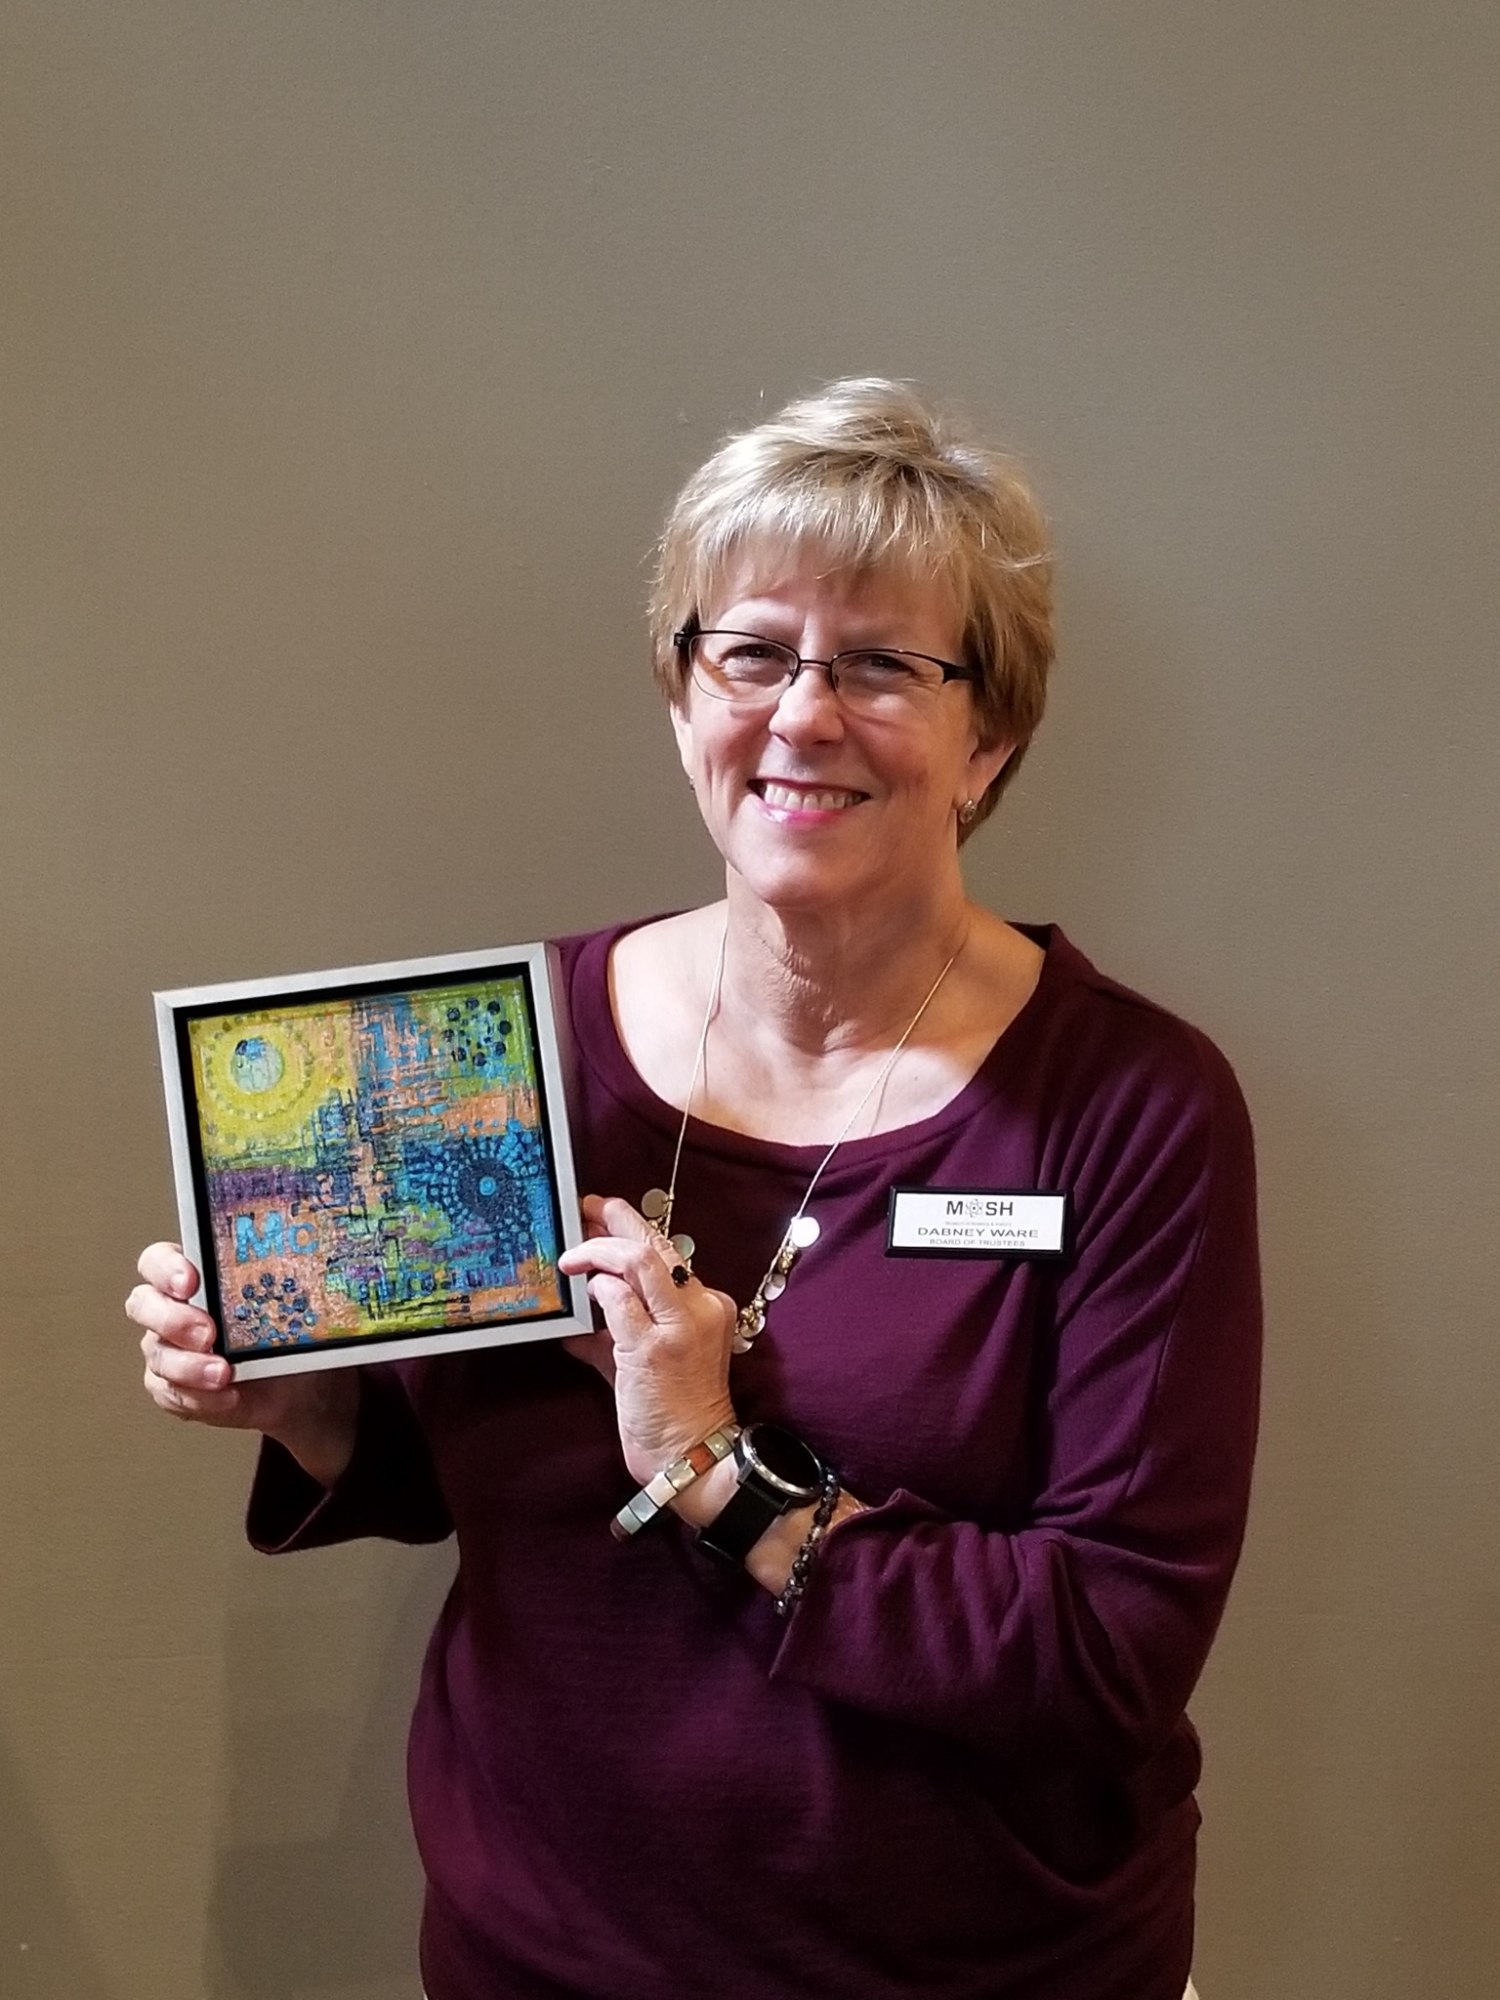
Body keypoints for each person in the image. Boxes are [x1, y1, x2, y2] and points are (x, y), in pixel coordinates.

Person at [127, 379, 1260, 2000]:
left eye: (884, 665)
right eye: (753, 653)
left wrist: (714, 1468)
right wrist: (301, 1403)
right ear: (682, 698)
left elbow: (1103, 1655)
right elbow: (470, 1473)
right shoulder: (502, 1051)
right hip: (543, 1960)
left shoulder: (1131, 1107)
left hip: (982, 1973)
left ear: (989, 739)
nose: (805, 714)